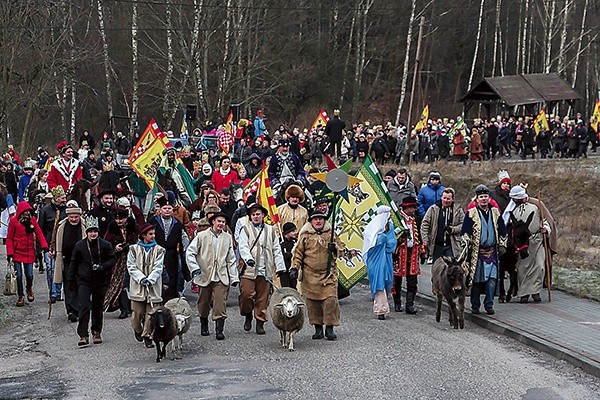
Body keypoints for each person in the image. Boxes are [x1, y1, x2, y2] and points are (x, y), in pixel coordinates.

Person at [291, 210, 346, 340]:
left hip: (328, 276)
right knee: (313, 304)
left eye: (321, 219)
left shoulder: (331, 234)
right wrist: (294, 267)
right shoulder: (305, 235)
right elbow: (298, 253)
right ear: (311, 221)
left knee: (330, 301)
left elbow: (343, 249)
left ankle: (330, 328)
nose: (318, 221)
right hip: (310, 276)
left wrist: (336, 249)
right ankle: (318, 329)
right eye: (315, 219)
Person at [186, 212, 239, 340]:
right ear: (213, 222)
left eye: (223, 222)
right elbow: (190, 252)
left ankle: (219, 329)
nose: (221, 224)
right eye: (219, 221)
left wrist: (234, 277)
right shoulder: (201, 236)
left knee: (220, 303)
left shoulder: (227, 238)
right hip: (204, 275)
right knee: (203, 303)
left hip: (221, 276)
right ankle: (204, 324)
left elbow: (231, 259)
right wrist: (194, 269)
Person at [68, 216, 117, 346]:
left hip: (100, 281)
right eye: (90, 231)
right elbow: (73, 263)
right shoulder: (80, 246)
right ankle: (83, 335)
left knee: (97, 307)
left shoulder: (105, 245)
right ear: (87, 232)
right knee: (84, 307)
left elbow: (112, 259)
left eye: (95, 231)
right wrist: (70, 281)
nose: (93, 234)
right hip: (84, 281)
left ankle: (96, 331)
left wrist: (103, 266)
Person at [238, 203, 285, 335]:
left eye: (258, 214)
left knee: (262, 298)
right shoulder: (245, 230)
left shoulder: (271, 230)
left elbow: (276, 248)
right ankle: (247, 313)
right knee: (247, 294)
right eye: (253, 214)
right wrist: (248, 259)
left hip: (266, 269)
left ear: (263, 215)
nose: (255, 216)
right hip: (249, 269)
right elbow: (243, 247)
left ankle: (260, 321)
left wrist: (280, 267)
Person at [461, 184, 507, 315]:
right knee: (476, 280)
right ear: (477, 199)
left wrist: (502, 244)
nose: (484, 199)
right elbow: (465, 232)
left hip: (492, 252)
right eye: (481, 197)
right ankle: (475, 305)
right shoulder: (471, 213)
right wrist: (466, 242)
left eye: (486, 196)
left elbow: (502, 229)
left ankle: (489, 304)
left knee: (492, 280)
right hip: (477, 253)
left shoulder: (495, 212)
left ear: (489, 198)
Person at [504, 186, 551, 303]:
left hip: (537, 241)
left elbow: (544, 221)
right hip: (522, 244)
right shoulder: (513, 211)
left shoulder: (536, 207)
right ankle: (524, 293)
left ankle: (536, 292)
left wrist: (546, 229)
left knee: (539, 267)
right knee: (522, 269)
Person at [127, 223, 165, 348]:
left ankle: (148, 336)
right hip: (138, 288)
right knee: (137, 315)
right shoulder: (133, 249)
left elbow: (158, 267)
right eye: (150, 234)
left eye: (154, 234)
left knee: (151, 315)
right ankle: (138, 330)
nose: (153, 236)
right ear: (143, 235)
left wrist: (151, 279)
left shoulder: (159, 250)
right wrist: (141, 278)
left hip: (153, 288)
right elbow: (131, 266)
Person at [6, 201, 49, 307]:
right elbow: (10, 238)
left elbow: (39, 233)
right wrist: (10, 253)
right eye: (24, 212)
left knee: (29, 275)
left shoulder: (32, 220)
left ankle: (29, 288)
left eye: (28, 212)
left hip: (29, 252)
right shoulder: (14, 221)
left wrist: (44, 246)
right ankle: (20, 296)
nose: (26, 214)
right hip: (17, 252)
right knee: (19, 275)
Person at [149, 194, 190, 302]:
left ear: (172, 209)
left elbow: (184, 239)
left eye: (169, 208)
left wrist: (186, 251)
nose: (167, 210)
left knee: (172, 275)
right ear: (160, 210)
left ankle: (171, 297)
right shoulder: (153, 221)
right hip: (156, 253)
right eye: (164, 208)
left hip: (172, 254)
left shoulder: (177, 223)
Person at [51, 201, 85, 322]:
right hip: (66, 260)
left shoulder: (84, 226)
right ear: (68, 217)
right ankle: (70, 310)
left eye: (76, 217)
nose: (74, 219)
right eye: (72, 217)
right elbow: (55, 240)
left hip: (81, 262)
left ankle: (78, 308)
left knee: (80, 285)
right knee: (68, 285)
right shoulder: (61, 226)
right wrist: (53, 251)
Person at [103, 206, 138, 319]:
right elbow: (106, 244)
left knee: (133, 282)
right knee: (120, 284)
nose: (119, 221)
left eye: (121, 219)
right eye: (117, 219)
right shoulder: (111, 229)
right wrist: (114, 247)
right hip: (118, 261)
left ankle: (133, 306)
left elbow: (140, 239)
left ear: (126, 218)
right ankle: (124, 309)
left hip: (133, 258)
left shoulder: (134, 227)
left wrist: (131, 246)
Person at [393, 196, 425, 314]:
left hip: (413, 253)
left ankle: (409, 305)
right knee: (397, 280)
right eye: (412, 208)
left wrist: (422, 253)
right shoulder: (397, 219)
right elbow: (392, 237)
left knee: (412, 280)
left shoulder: (415, 219)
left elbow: (419, 237)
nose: (413, 210)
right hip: (400, 253)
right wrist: (401, 236)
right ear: (406, 208)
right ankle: (397, 302)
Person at [363, 206, 396, 320]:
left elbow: (392, 243)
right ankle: (380, 309)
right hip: (375, 260)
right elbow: (371, 243)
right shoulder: (372, 228)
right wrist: (382, 237)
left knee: (387, 281)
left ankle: (384, 304)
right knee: (378, 283)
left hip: (386, 258)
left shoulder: (390, 226)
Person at [421, 188, 464, 263]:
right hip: (437, 245)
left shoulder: (458, 210)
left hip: (452, 245)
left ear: (452, 199)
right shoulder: (433, 209)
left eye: (448, 199)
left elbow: (463, 224)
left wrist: (454, 230)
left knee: (450, 270)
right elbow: (425, 224)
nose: (446, 200)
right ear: (441, 197)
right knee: (437, 270)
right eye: (444, 198)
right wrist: (425, 239)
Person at [39, 186, 67, 302]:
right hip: (49, 245)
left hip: (62, 245)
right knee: (50, 268)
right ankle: (52, 292)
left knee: (59, 268)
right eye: (62, 197)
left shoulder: (66, 210)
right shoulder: (45, 210)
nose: (64, 199)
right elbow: (41, 229)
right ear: (56, 198)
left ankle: (58, 292)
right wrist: (43, 246)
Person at [278, 222, 298, 289]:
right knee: (286, 287)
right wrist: (284, 255)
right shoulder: (280, 242)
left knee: (294, 287)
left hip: (292, 269)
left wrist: (291, 255)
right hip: (283, 270)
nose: (295, 232)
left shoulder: (295, 242)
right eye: (293, 231)